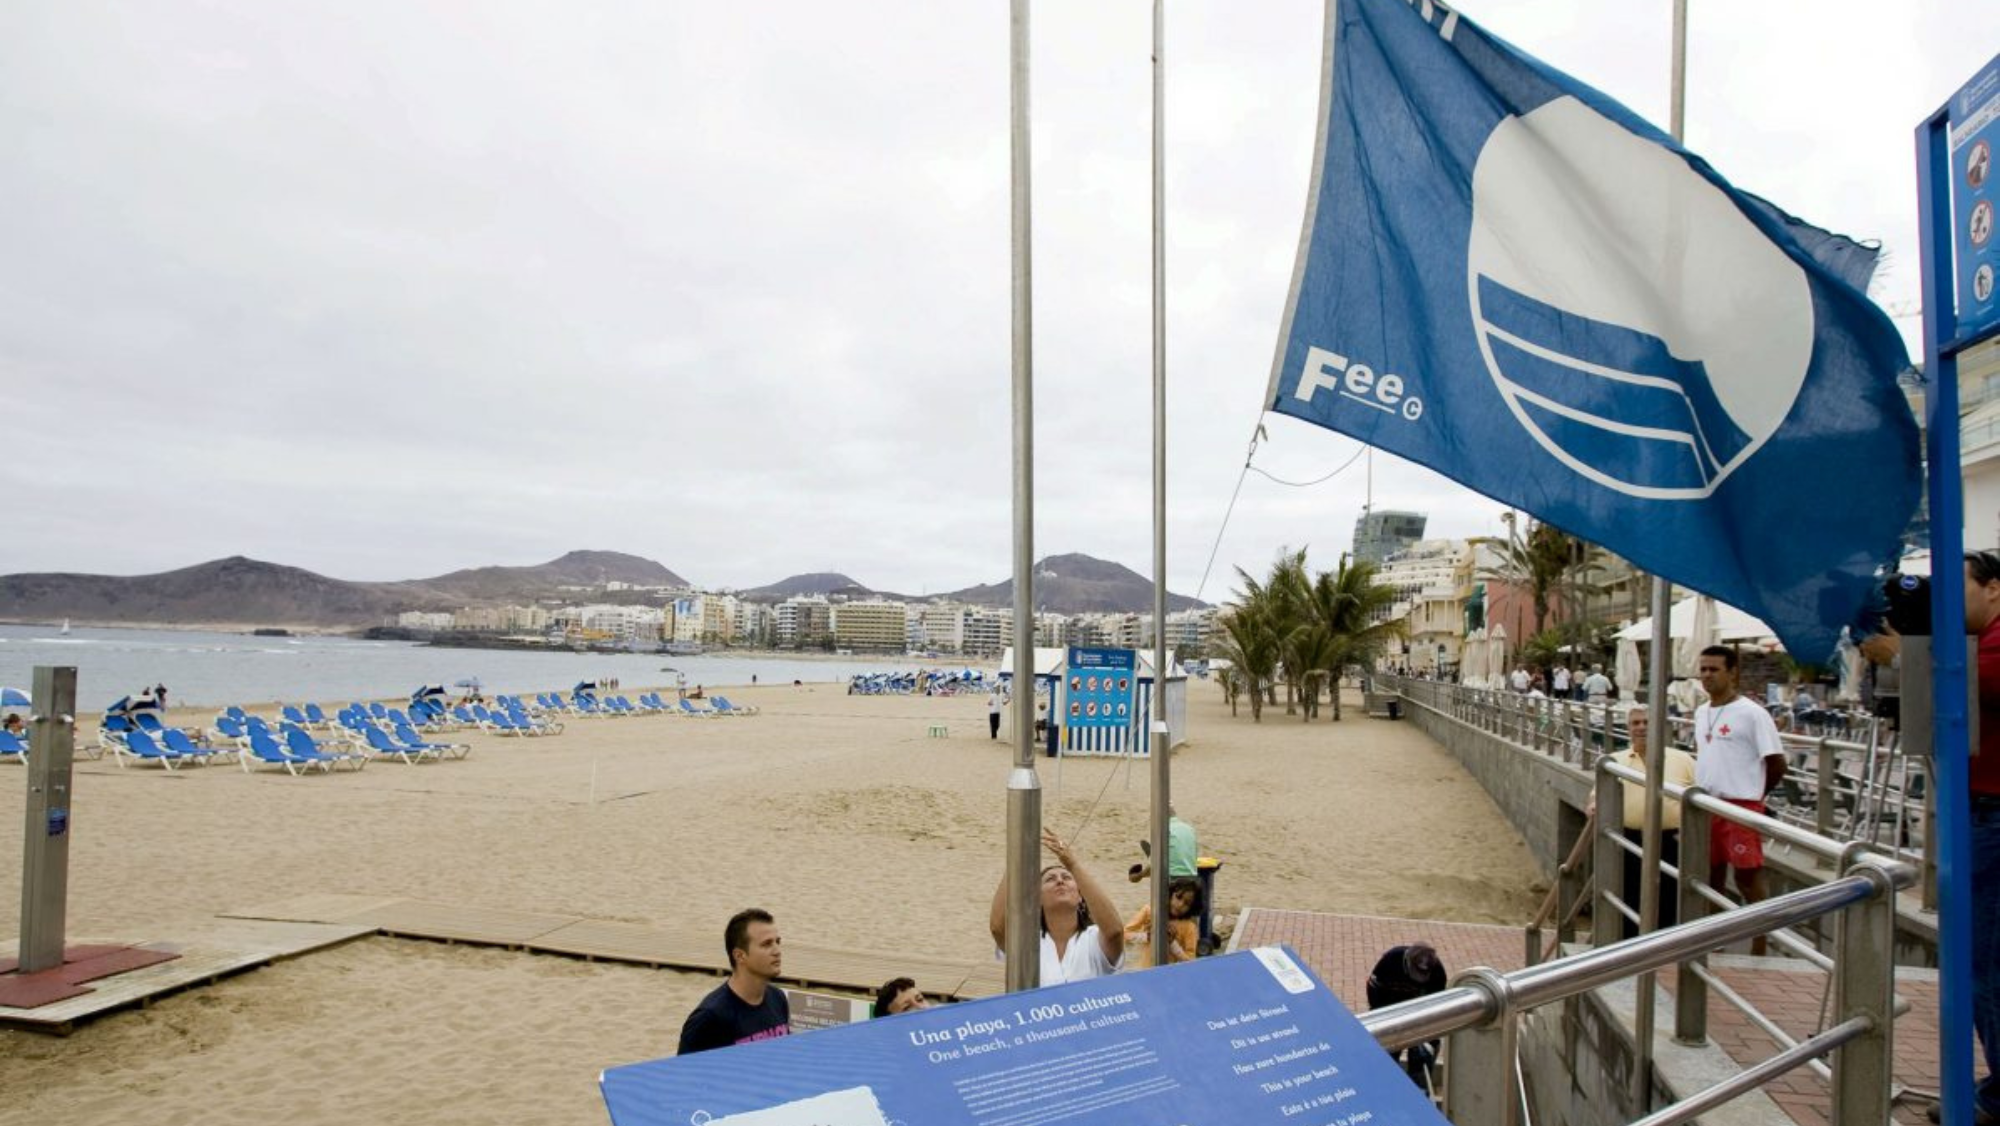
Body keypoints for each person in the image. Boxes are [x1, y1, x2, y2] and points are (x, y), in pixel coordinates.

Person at [1692, 645, 1786, 955]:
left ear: (1732, 672)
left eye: (1714, 669)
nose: (1707, 675)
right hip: (1707, 807)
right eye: (1703, 669)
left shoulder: (1753, 714)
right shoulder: (1701, 712)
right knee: (1710, 880)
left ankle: (1760, 948)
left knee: (1748, 880)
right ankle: (1711, 945)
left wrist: (1755, 796)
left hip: (1741, 807)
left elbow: (1776, 763)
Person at [1590, 706, 1697, 938]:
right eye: (1635, 723)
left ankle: (1660, 949)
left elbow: (1699, 797)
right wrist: (1593, 806)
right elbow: (1596, 795)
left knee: (1667, 898)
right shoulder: (1615, 761)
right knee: (1628, 895)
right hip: (1627, 839)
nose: (1641, 728)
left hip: (1669, 840)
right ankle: (1630, 948)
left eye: (1646, 722)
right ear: (1628, 729)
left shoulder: (1683, 760)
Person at [989, 828, 1124, 984]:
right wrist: (1017, 859)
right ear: (1037, 900)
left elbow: (1115, 931)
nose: (1060, 881)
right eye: (1050, 879)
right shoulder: (1028, 941)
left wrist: (1072, 864)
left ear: (1081, 896)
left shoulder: (1093, 938)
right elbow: (998, 928)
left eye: (1067, 877)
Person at [676, 909, 791, 1055]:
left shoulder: (778, 998)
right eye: (767, 944)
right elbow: (683, 1074)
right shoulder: (709, 1018)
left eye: (777, 942)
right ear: (740, 956)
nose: (777, 951)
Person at [1366, 944, 1448, 1088]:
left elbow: (1437, 1007)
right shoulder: (1391, 959)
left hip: (1421, 1018)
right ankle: (1387, 1087)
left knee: (1422, 1062)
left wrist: (1424, 1036)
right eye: (1415, 974)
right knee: (1387, 1059)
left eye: (1423, 976)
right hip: (1391, 1013)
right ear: (1407, 962)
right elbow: (1374, 987)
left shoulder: (1437, 971)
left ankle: (1419, 1091)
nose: (1418, 980)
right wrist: (1382, 1019)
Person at [1122, 876, 1202, 968]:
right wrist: (1146, 936)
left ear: (1193, 907)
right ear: (1171, 893)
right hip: (1145, 970)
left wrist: (1173, 944)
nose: (1180, 905)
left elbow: (1190, 962)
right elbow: (1124, 934)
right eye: (1178, 897)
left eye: (1187, 903)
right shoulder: (1150, 911)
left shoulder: (1189, 927)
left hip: (1170, 976)